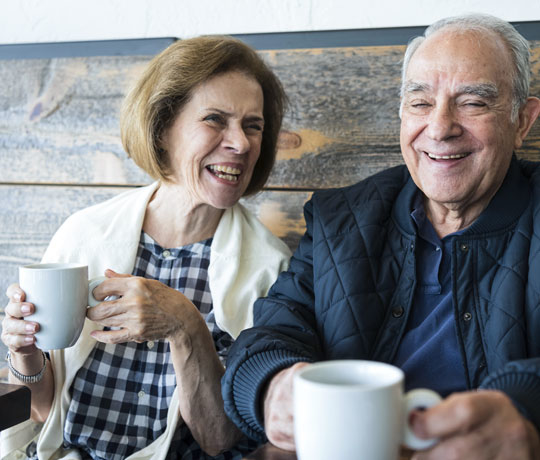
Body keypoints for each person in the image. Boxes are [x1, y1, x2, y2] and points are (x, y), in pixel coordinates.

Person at [222, 13, 540, 460]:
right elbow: (268, 335)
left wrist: (523, 410)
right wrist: (271, 385)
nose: (440, 126)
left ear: (522, 120)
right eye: (420, 102)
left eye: (472, 102)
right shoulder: (341, 219)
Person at [1, 35, 292, 460]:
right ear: (163, 129)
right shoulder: (85, 233)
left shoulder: (274, 269)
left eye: (253, 125)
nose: (242, 143)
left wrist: (185, 326)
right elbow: (44, 410)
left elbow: (220, 439)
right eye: (215, 119)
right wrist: (23, 353)